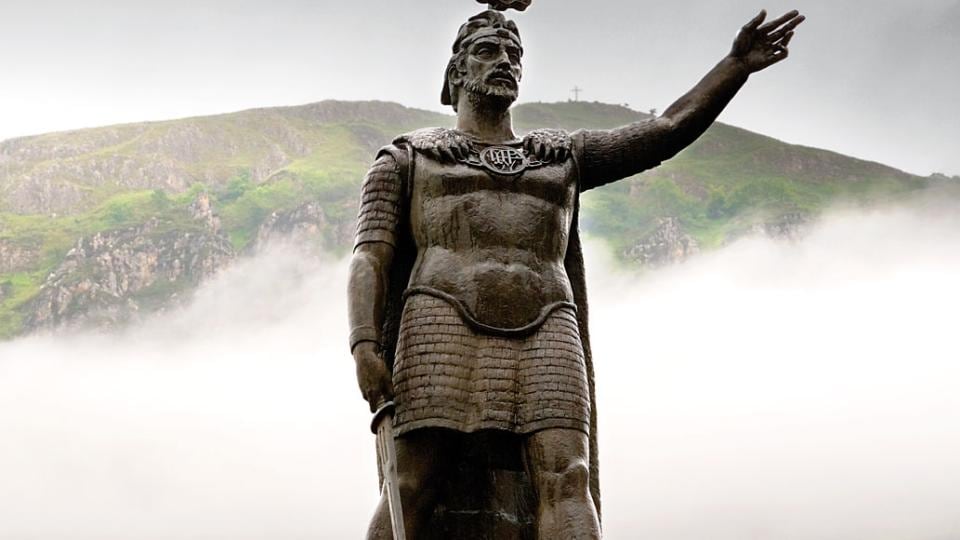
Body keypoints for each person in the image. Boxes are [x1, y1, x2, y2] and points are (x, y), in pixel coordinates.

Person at [348, 8, 804, 539]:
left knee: (568, 475)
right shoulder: (408, 158)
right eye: (488, 51)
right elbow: (370, 257)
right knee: (410, 483)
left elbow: (664, 131)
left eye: (515, 55)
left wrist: (734, 66)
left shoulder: (560, 157)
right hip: (442, 321)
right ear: (455, 73)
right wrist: (363, 345)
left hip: (546, 324)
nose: (505, 63)